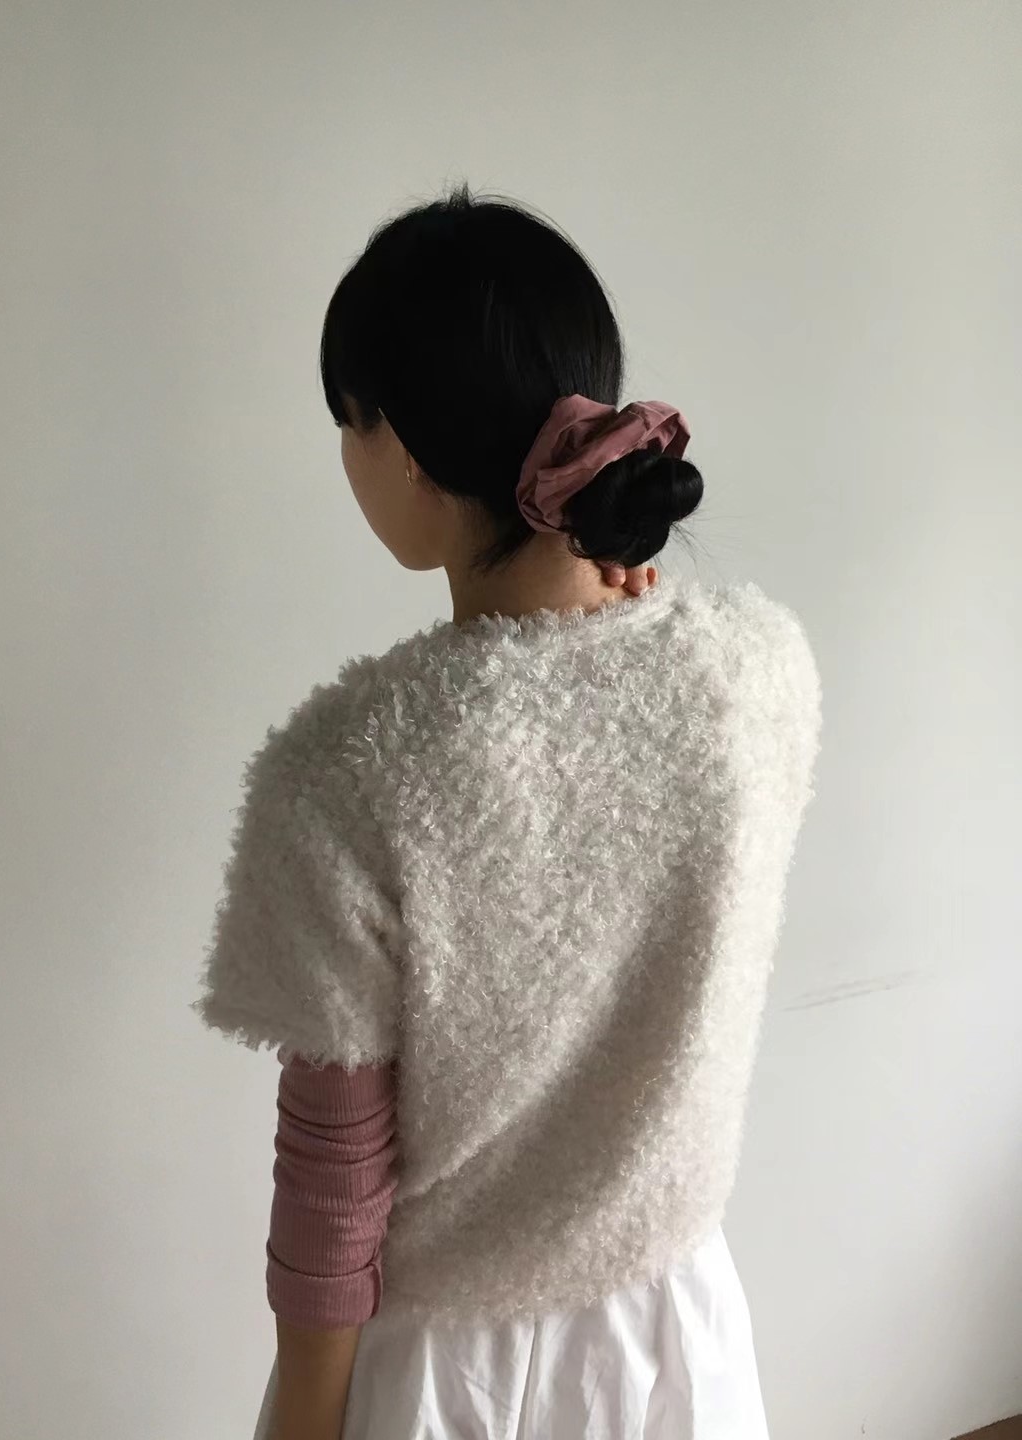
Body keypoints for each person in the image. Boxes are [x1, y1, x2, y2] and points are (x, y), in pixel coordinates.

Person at [197, 187, 821, 1440]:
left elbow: (334, 1178)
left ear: (407, 455)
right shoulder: (758, 671)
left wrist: (303, 1418)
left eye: (351, 421)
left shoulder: (351, 775)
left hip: (453, 1377)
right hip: (677, 1335)